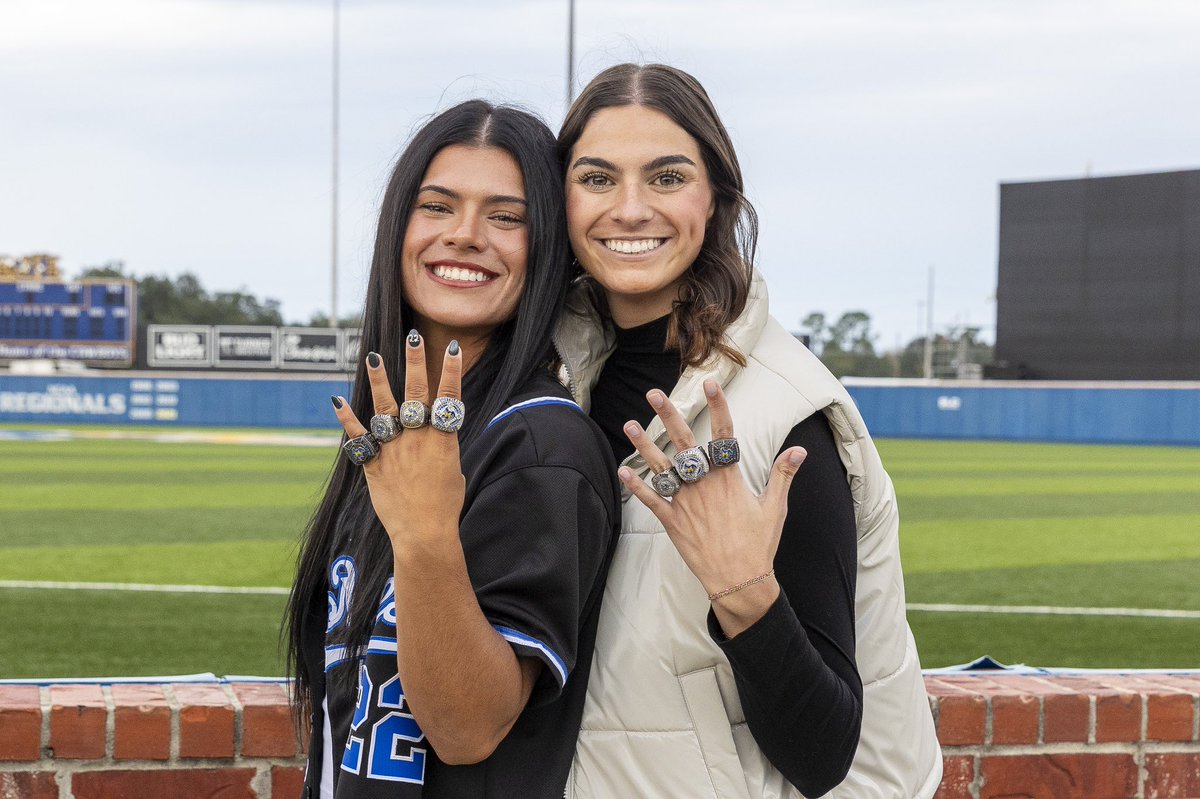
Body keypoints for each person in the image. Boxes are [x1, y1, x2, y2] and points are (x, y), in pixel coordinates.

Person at [553, 64, 942, 798]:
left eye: (667, 177)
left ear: (717, 197)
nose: (630, 208)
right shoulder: (554, 383)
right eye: (598, 178)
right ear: (562, 200)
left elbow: (825, 753)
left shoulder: (781, 412)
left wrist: (744, 593)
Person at [285, 100, 620, 798]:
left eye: (506, 216)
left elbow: (468, 728)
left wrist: (427, 535)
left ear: (549, 247)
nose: (465, 235)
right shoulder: (400, 438)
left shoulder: (540, 443)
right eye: (437, 206)